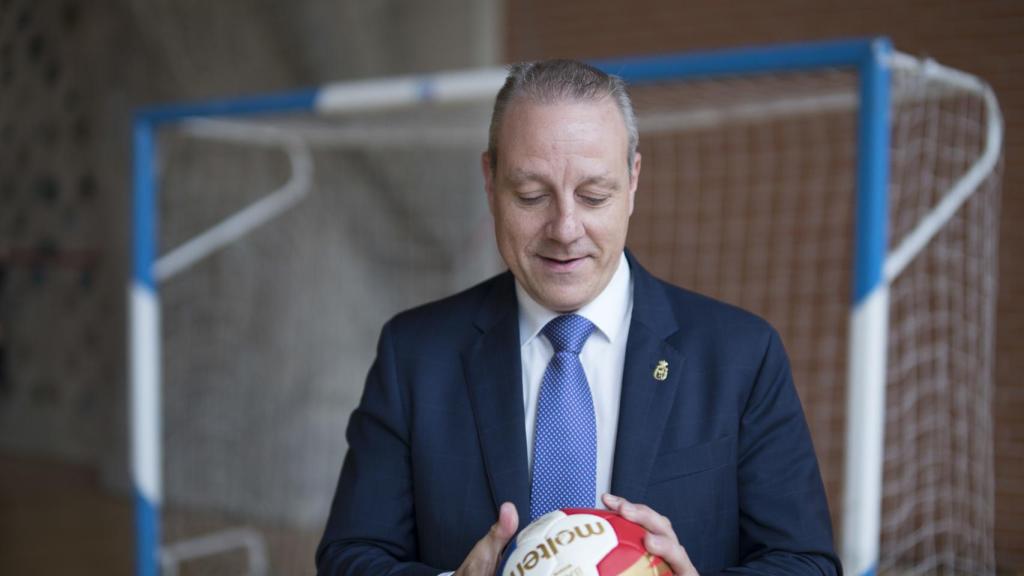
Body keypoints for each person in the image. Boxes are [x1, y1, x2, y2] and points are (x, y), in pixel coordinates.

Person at [317, 59, 841, 576]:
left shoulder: (741, 357)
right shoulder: (414, 355)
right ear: (489, 178)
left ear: (633, 180)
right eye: (531, 195)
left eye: (593, 195)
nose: (565, 228)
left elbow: (807, 564)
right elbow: (349, 557)